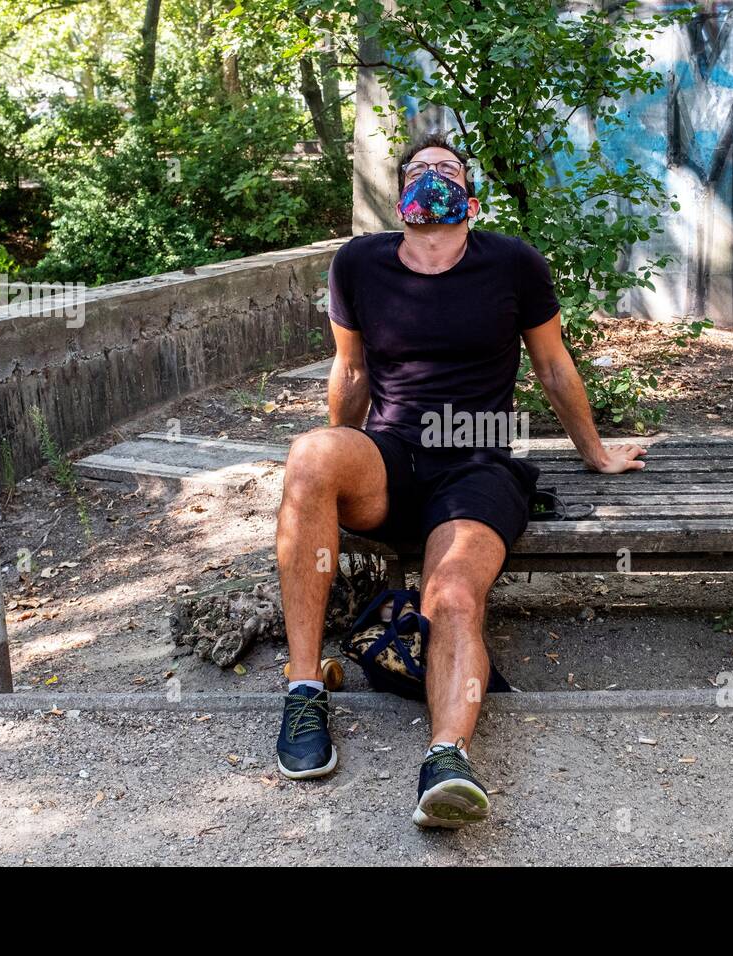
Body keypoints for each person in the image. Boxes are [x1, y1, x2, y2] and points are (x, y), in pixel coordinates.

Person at [274, 131, 646, 828]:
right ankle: (302, 692)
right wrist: (338, 456)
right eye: (420, 169)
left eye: (448, 169)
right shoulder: (359, 263)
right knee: (310, 454)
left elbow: (554, 366)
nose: (434, 176)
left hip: (479, 464)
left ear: (470, 195)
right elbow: (351, 373)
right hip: (391, 456)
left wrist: (594, 453)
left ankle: (447, 759)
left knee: (450, 593)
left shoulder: (512, 263)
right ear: (401, 195)